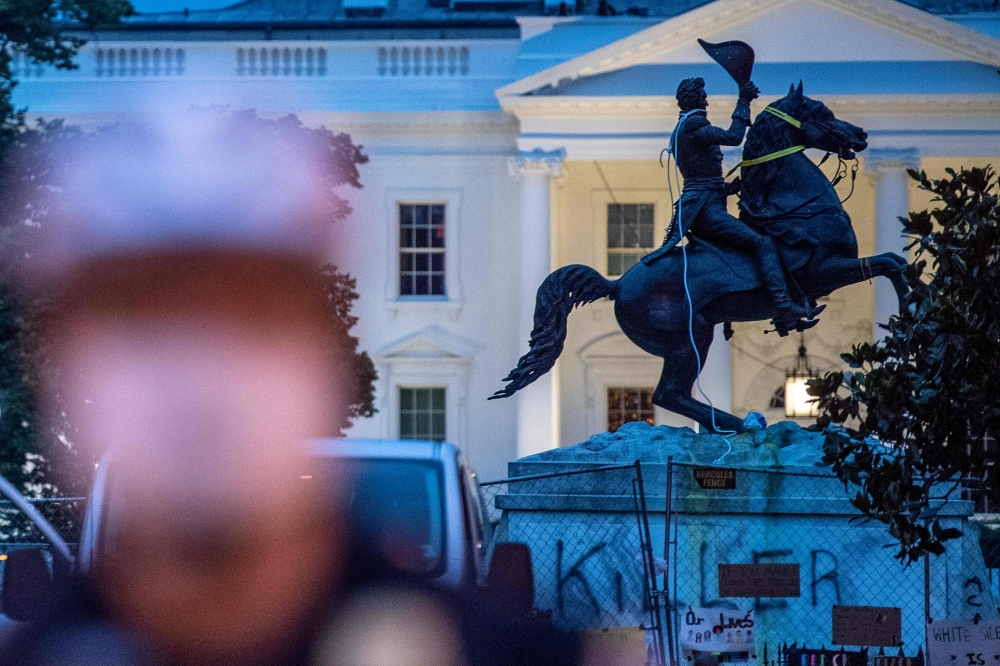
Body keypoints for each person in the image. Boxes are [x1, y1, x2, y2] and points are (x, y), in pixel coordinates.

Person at [659, 76, 821, 337]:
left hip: (707, 202)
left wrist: (728, 188)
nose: (705, 99)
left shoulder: (685, 126)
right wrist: (743, 101)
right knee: (763, 244)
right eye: (701, 95)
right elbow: (734, 137)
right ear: (692, 99)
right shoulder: (693, 124)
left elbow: (701, 178)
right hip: (705, 212)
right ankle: (784, 308)